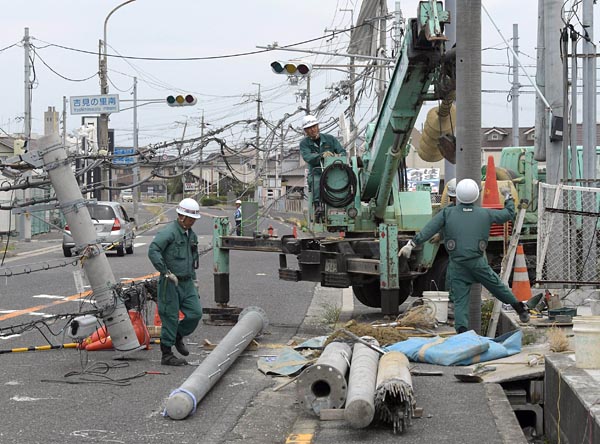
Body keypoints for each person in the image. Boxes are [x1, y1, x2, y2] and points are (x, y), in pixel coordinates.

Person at [399, 178, 530, 333]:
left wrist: (411, 244)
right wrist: (508, 198)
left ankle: (462, 333)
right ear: (476, 195)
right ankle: (520, 308)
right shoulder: (485, 213)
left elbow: (429, 229)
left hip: (457, 265)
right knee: (497, 287)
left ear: (458, 196)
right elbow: (508, 214)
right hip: (478, 263)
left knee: (460, 302)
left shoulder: (447, 213)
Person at [148, 197, 203, 366]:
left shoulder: (190, 234)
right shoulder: (169, 232)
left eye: (194, 219)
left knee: (195, 313)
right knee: (170, 317)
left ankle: (178, 335)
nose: (193, 221)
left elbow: (192, 258)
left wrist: (194, 279)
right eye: (191, 218)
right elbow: (153, 250)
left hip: (186, 282)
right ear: (181, 216)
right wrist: (165, 272)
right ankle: (167, 354)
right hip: (170, 282)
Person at [299, 115, 347, 220]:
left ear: (318, 126)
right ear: (305, 131)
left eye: (314, 126)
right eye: (309, 128)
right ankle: (318, 206)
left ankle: (345, 204)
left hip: (333, 172)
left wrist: (339, 156)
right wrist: (321, 156)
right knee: (316, 181)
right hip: (316, 172)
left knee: (346, 181)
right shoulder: (304, 144)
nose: (312, 130)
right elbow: (307, 157)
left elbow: (342, 152)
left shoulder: (330, 139)